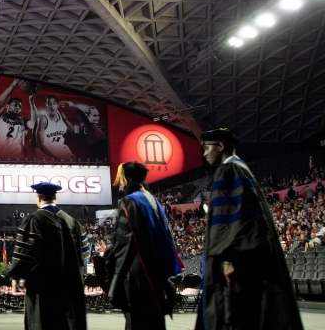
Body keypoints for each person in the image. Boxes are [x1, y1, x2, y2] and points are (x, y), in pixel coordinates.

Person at [196, 129, 303, 330]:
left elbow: (237, 219)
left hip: (238, 264)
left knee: (239, 317)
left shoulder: (229, 171)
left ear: (220, 147)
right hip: (247, 261)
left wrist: (229, 258)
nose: (205, 154)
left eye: (207, 148)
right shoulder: (242, 169)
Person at [96, 162, 185, 330]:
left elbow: (124, 241)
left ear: (128, 180)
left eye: (123, 182)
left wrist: (107, 258)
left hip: (139, 272)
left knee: (138, 320)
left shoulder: (130, 201)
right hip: (156, 270)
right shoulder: (152, 199)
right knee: (154, 319)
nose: (121, 186)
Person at [6, 182, 86, 330]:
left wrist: (16, 275)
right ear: (55, 197)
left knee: (43, 322)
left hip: (43, 287)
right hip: (70, 286)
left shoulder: (35, 220)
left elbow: (25, 253)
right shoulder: (72, 222)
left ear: (39, 197)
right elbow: (85, 255)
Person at [0, 79, 37, 158]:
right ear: (7, 106)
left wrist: (31, 101)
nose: (18, 107)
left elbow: (35, 124)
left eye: (20, 106)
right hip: (0, 160)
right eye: (15, 105)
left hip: (18, 160)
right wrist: (12, 85)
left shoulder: (23, 121)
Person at [34, 95, 75, 160]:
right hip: (46, 152)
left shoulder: (61, 115)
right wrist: (54, 158)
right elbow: (39, 145)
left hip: (60, 148)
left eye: (54, 103)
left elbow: (73, 130)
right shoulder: (43, 119)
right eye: (49, 103)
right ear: (46, 105)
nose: (52, 106)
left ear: (58, 105)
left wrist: (72, 106)